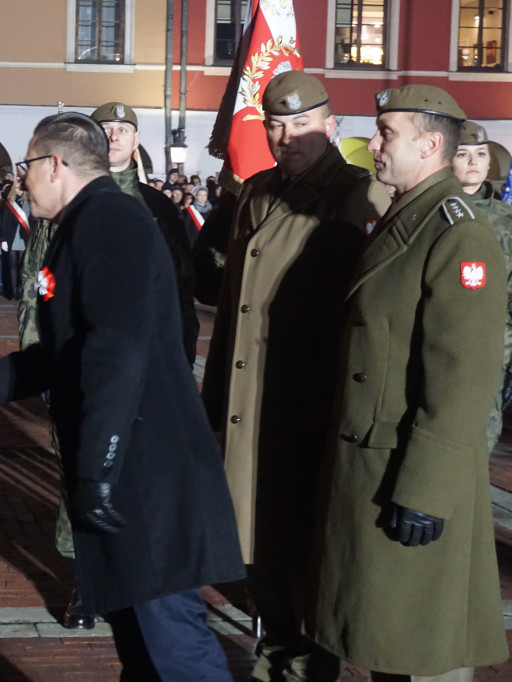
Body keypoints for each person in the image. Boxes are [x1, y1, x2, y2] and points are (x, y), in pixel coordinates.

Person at [0, 112, 245, 681]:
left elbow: (117, 350)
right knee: (141, 649)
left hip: (145, 472)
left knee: (176, 651)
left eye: (26, 166)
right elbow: (59, 358)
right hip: (125, 471)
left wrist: (99, 469)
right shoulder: (85, 223)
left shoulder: (111, 222)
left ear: (55, 164)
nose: (21, 180)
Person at [310, 84, 508, 682]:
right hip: (375, 460)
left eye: (385, 133)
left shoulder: (458, 230)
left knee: (419, 647)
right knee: (387, 642)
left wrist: (425, 489)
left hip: (412, 472)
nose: (372, 144)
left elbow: (462, 375)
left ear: (428, 144)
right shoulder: (408, 216)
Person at [202, 71, 390, 682]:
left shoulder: (357, 196)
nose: (287, 137)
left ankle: (301, 669)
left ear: (330, 125)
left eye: (301, 124)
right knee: (255, 546)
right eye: (277, 125)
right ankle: (275, 660)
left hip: (305, 407)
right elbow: (228, 304)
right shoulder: (257, 193)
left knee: (300, 554)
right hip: (247, 402)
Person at [90, 101, 199, 366]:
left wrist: (182, 353)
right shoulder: (67, 199)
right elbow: (38, 282)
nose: (113, 137)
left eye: (123, 130)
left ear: (136, 139)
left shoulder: (157, 205)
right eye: (105, 128)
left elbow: (180, 281)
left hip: (144, 345)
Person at [450, 121, 512, 452]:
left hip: (491, 352)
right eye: (463, 154)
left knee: (480, 444)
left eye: (481, 154)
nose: (474, 162)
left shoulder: (506, 220)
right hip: (440, 346)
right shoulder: (433, 213)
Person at [0, 181, 30, 300]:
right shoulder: (8, 204)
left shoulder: (28, 203)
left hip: (24, 238)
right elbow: (4, 223)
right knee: (12, 265)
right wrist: (4, 240)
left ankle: (21, 288)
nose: (19, 190)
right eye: (16, 188)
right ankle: (13, 290)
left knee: (22, 265)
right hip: (12, 238)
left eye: (21, 188)